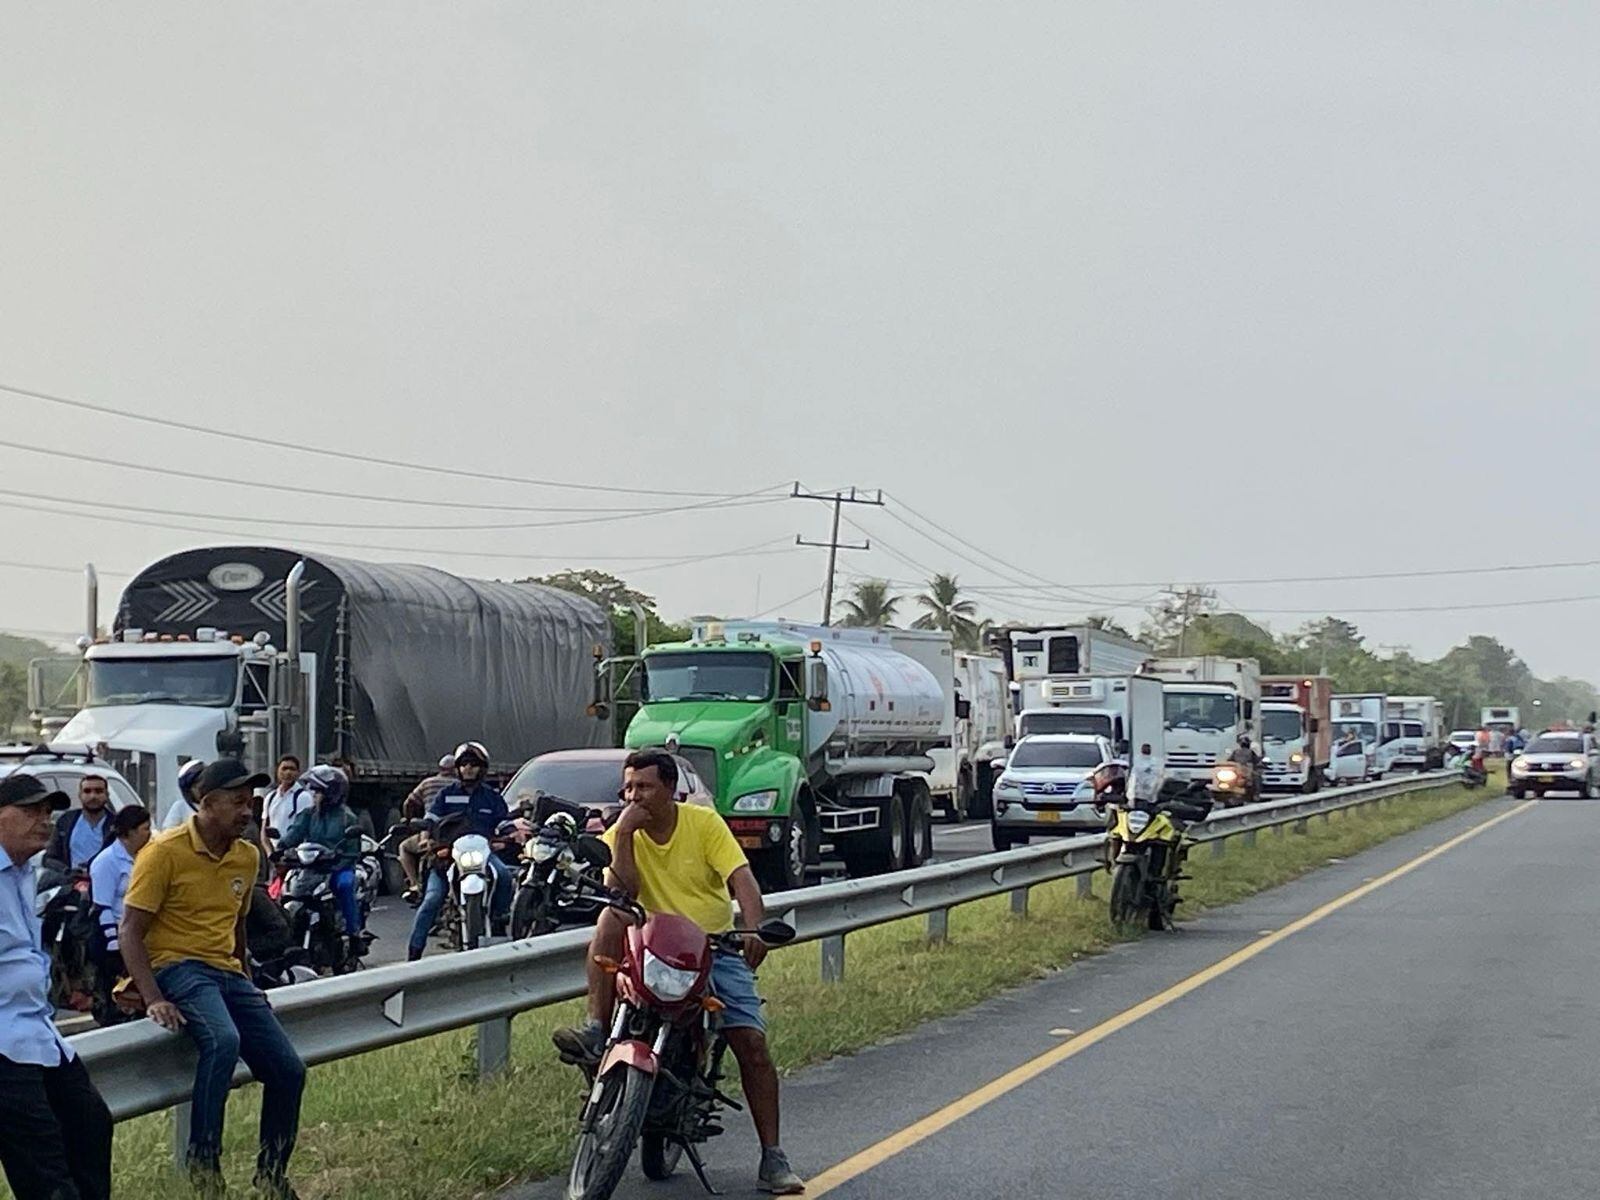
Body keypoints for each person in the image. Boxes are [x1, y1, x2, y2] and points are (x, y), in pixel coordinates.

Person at [553, 749, 804, 1194]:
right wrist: (625, 836)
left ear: (671, 789)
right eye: (628, 788)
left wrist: (754, 927)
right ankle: (597, 1029)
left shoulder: (703, 824)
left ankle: (773, 1156)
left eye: (645, 787)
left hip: (711, 947)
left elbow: (742, 880)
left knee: (752, 1044)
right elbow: (621, 891)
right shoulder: (621, 830)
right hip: (648, 944)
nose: (635, 796)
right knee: (610, 917)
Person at [120, 759, 307, 1198]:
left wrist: (245, 979)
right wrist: (152, 997)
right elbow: (130, 930)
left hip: (225, 971)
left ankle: (272, 1175)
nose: (248, 812)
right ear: (206, 805)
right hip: (178, 967)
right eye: (238, 803)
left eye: (251, 804)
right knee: (223, 1040)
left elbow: (237, 926)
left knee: (288, 1070)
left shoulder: (246, 855)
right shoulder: (163, 852)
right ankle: (204, 1167)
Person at [0, 772, 113, 1200]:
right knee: (46, 1166)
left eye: (48, 812)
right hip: (5, 1046)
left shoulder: (25, 872)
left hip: (39, 1034)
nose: (44, 821)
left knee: (91, 1124)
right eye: (30, 811)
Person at [405, 742, 512, 960]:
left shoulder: (492, 797)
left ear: (482, 768)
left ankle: (500, 922)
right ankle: (413, 954)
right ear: (457, 768)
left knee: (504, 876)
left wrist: (511, 834)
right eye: (464, 764)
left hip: (484, 853)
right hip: (447, 855)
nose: (468, 768)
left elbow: (504, 823)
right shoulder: (446, 795)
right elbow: (430, 820)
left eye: (473, 764)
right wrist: (426, 837)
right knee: (431, 900)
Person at [276, 764, 366, 962]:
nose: (314, 794)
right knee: (288, 891)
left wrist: (339, 859)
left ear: (331, 793)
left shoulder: (347, 818)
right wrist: (280, 848)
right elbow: (294, 834)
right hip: (311, 868)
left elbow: (352, 850)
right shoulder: (309, 814)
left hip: (338, 868)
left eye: (318, 790)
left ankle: (354, 935)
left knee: (345, 885)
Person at [89, 805, 152, 994]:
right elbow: (102, 907)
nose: (150, 834)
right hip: (116, 936)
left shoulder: (146, 856)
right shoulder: (106, 861)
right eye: (145, 829)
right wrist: (115, 947)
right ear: (130, 832)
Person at [398, 753, 456, 904]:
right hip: (457, 833)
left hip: (432, 832)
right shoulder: (460, 787)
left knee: (404, 847)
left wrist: (409, 820)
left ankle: (414, 885)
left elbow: (409, 803)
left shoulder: (427, 784)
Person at [47, 775, 115, 869]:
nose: (93, 796)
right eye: (87, 791)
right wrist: (67, 872)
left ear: (107, 795)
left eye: (98, 791)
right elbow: (50, 857)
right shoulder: (66, 821)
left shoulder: (118, 825)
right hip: (71, 881)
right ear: (80, 795)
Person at [259, 755, 308, 858]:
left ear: (298, 772)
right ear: (277, 771)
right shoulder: (270, 797)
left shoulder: (303, 797)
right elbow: (264, 830)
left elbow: (302, 830)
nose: (288, 772)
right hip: (274, 856)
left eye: (292, 769)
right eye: (284, 768)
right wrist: (270, 853)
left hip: (295, 857)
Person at [158, 759, 207, 832]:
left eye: (204, 785)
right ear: (188, 790)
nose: (201, 789)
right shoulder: (180, 806)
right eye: (195, 786)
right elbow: (168, 831)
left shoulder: (217, 804)